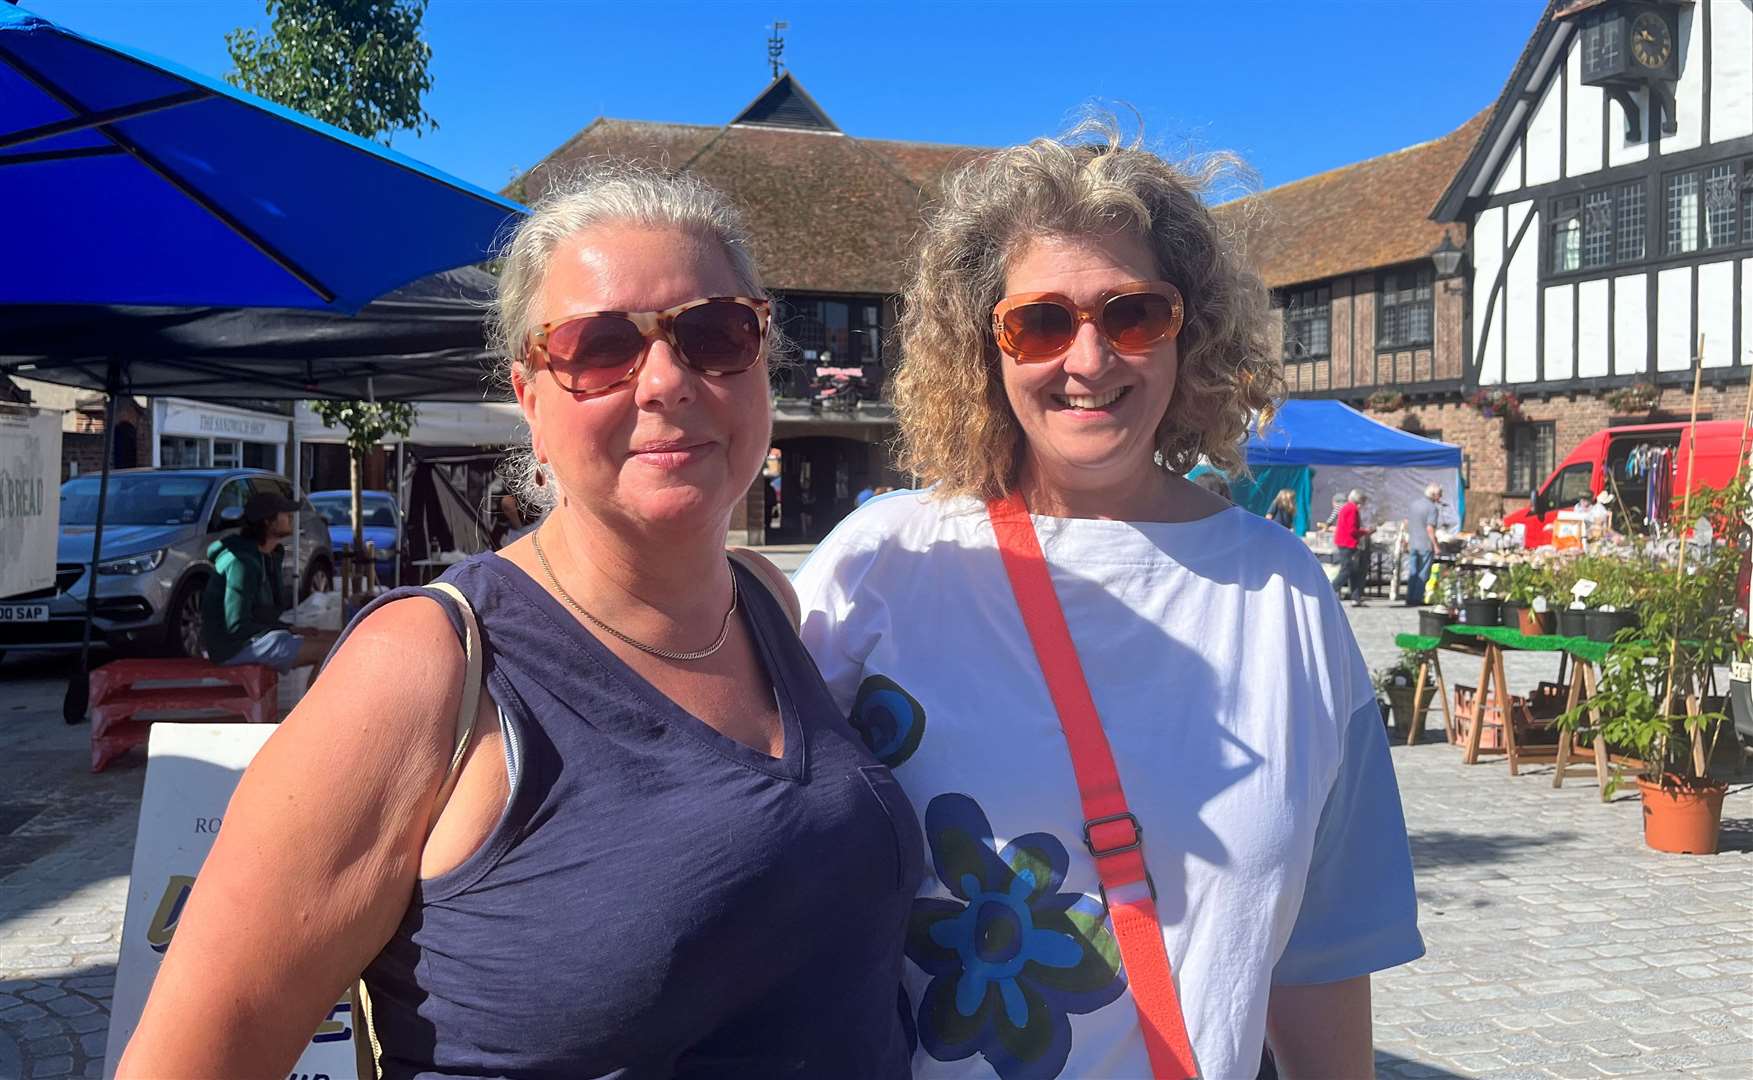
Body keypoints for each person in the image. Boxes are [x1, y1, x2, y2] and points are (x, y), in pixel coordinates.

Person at [120, 164, 920, 1079]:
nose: (665, 379)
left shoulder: (765, 601)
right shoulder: (424, 669)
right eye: (598, 347)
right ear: (531, 397)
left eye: (714, 334)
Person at [794, 123, 1421, 1080]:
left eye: (1132, 315)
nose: (1088, 359)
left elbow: (1323, 945)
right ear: (986, 346)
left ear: (1189, 332)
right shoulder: (883, 565)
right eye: (1039, 322)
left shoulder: (1280, 591)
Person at [200, 491, 336, 672]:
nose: (291, 516)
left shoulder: (266, 556)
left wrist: (291, 629)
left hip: (253, 640)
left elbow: (262, 615)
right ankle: (314, 702)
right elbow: (236, 626)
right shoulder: (242, 563)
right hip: (234, 648)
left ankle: (319, 700)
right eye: (284, 513)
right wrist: (286, 631)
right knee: (329, 650)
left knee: (340, 641)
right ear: (267, 521)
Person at [1333, 489, 1373, 607]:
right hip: (1347, 543)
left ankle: (1356, 597)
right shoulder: (1352, 509)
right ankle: (1331, 589)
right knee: (1347, 570)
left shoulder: (1346, 507)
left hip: (1344, 541)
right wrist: (1366, 531)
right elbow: (1352, 530)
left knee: (1354, 570)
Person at [1405, 483, 1442, 606]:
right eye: (1439, 495)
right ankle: (1416, 598)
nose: (1440, 498)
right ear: (1434, 495)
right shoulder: (1432, 508)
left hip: (1413, 542)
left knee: (1413, 571)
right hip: (1425, 544)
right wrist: (1436, 545)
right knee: (1423, 573)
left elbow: (1406, 523)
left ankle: (1409, 596)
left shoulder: (1414, 505)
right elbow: (1430, 528)